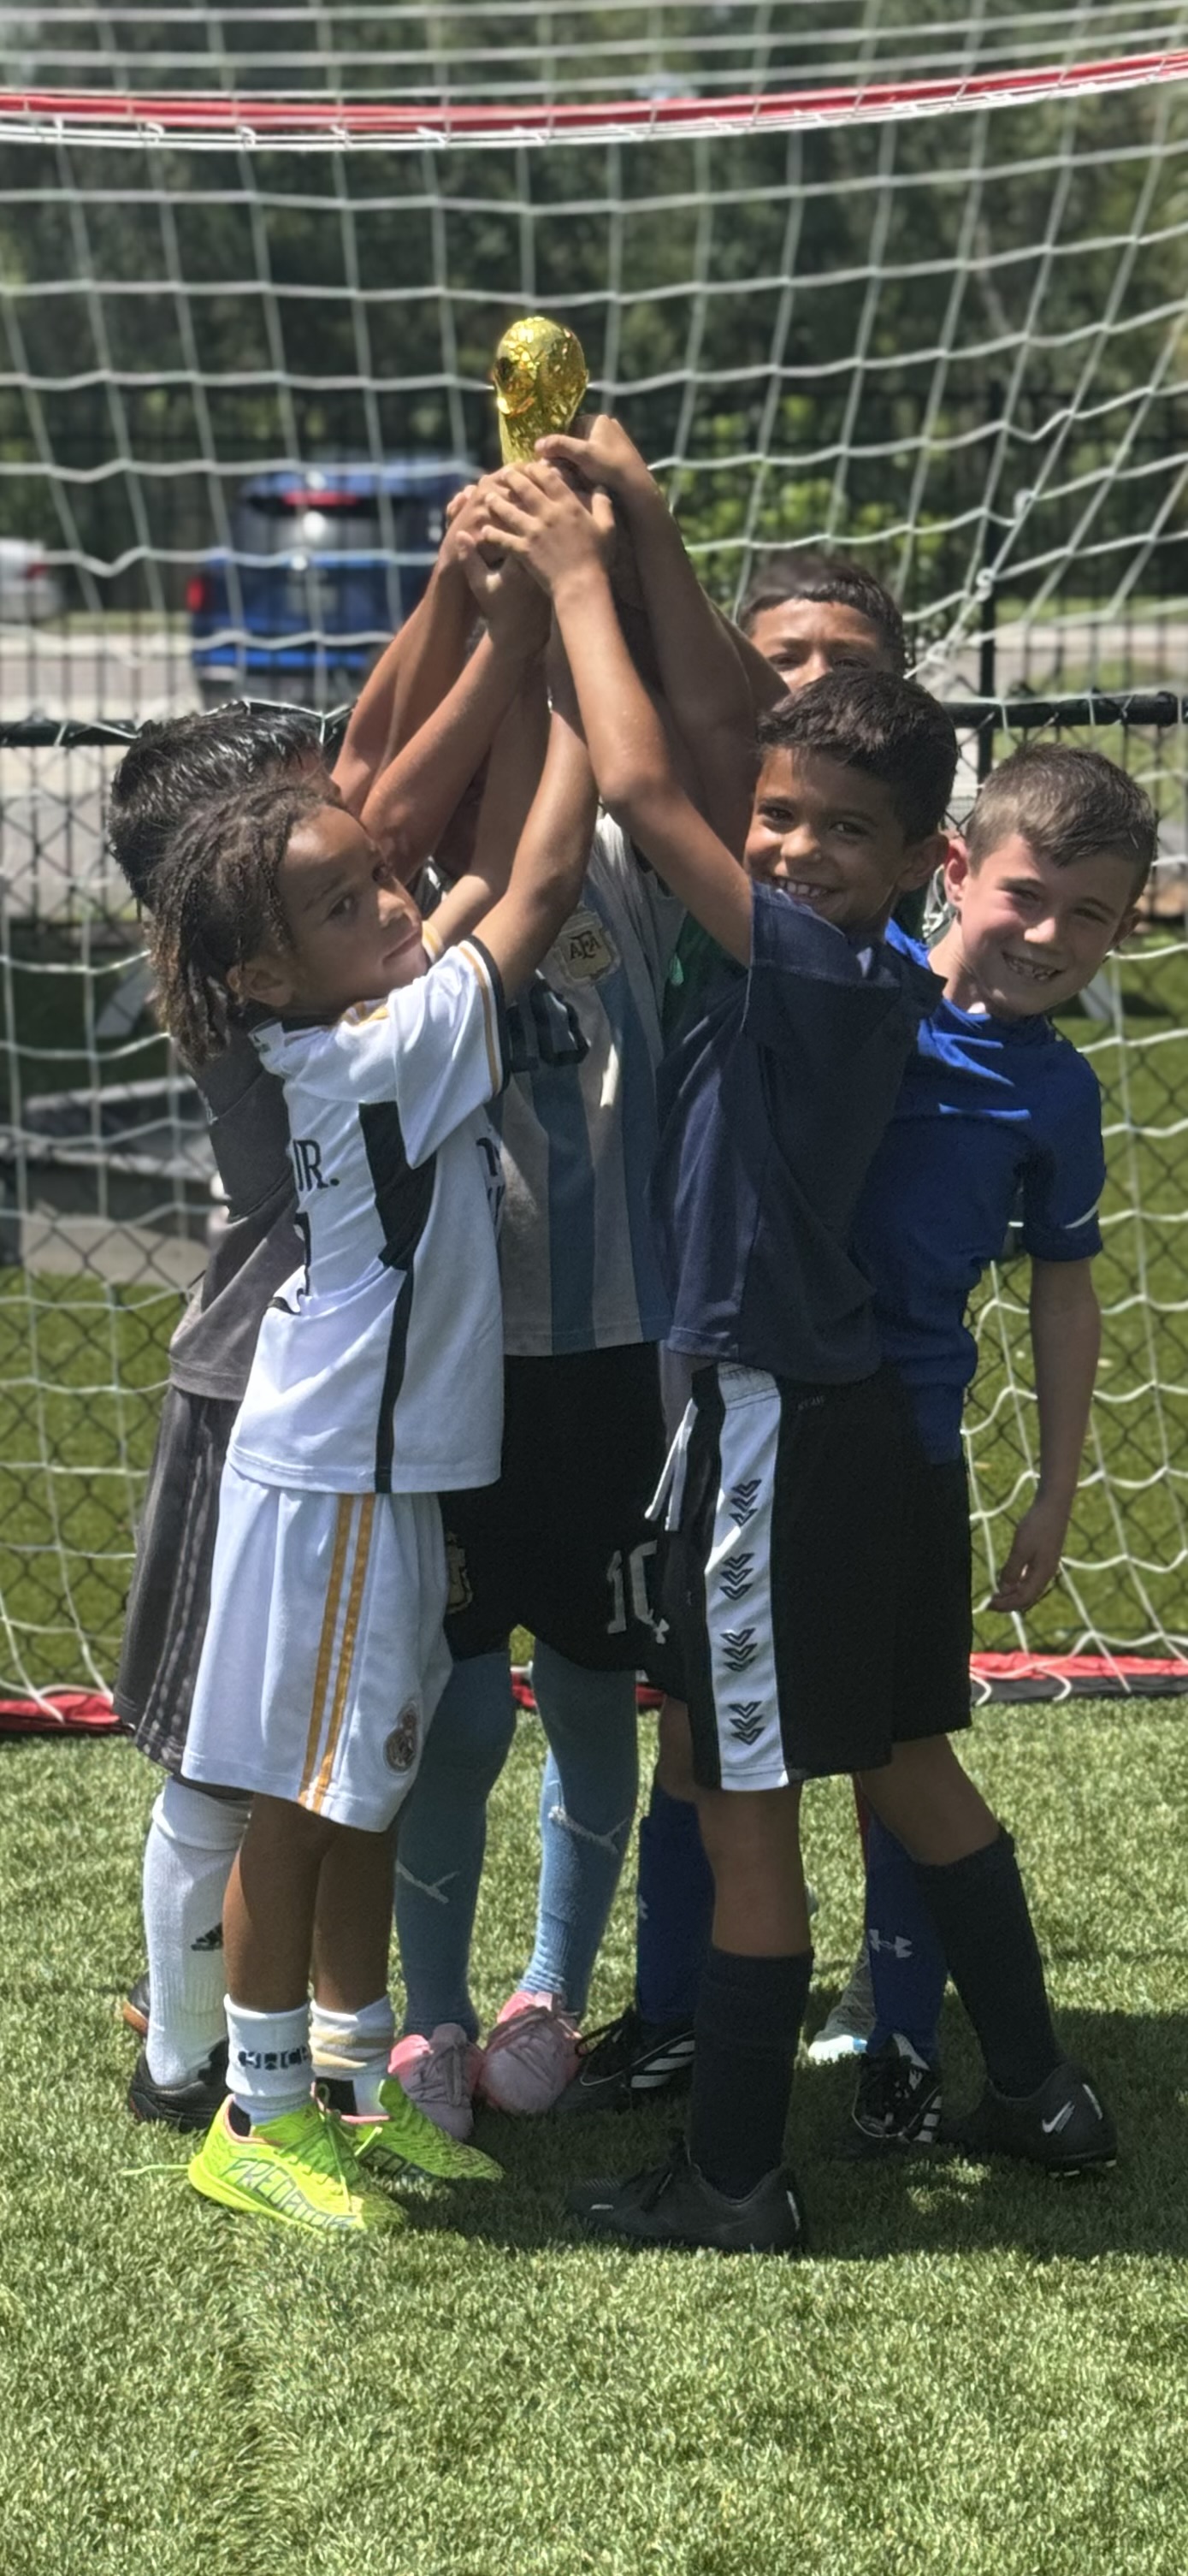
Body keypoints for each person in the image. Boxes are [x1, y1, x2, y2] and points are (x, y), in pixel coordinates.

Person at [476, 457, 1116, 2253]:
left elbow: (649, 775)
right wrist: (646, 548)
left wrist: (581, 574)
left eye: (834, 828)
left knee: (738, 1805)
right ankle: (1038, 2084)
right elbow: (710, 763)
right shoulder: (849, 965)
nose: (783, 846)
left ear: (917, 866)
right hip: (826, 1429)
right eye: (779, 819)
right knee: (869, 1759)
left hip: (763, 1433)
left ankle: (736, 2176)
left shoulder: (826, 972)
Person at [145, 651, 598, 2235]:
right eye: (347, 907)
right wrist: (561, 653)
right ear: (266, 976)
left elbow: (461, 882)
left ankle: (344, 2085)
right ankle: (255, 2117)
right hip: (334, 1472)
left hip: (379, 1471)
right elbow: (533, 877)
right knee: (297, 1795)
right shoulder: (371, 1047)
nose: (394, 909)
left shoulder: (367, 1007)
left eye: (378, 883)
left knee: (363, 1789)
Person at [842, 741, 1155, 2156]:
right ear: (954, 868)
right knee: (716, 1758)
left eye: (1089, 918)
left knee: (900, 1754)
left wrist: (1056, 1486)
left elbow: (1064, 1284)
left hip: (894, 1450)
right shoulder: (840, 997)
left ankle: (978, 2062)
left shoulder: (1054, 1093)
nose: (1048, 938)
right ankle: (685, 2034)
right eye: (1028, 896)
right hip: (738, 1422)